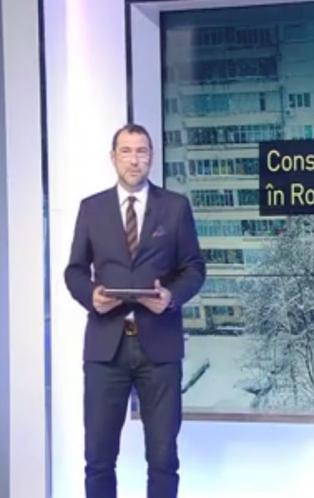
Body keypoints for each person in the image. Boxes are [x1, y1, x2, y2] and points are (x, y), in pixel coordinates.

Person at [64, 124, 206, 498]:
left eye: (141, 151)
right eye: (126, 151)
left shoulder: (175, 207)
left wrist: (170, 296)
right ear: (113, 158)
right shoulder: (92, 208)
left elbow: (194, 269)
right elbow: (74, 271)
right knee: (98, 459)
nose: (134, 159)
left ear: (151, 157)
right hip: (105, 348)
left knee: (163, 458)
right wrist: (91, 296)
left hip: (159, 347)